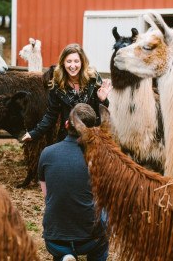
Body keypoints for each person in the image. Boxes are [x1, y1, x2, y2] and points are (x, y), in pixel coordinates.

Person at [38, 103, 109, 261]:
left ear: (66, 124)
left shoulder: (47, 153)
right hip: (90, 240)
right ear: (91, 129)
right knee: (106, 213)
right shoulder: (98, 157)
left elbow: (47, 196)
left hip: (54, 239)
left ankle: (64, 255)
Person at [22, 43, 111, 143]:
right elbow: (51, 115)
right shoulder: (57, 84)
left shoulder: (93, 79)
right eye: (69, 61)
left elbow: (102, 112)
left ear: (82, 62)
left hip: (92, 135)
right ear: (63, 62)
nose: (73, 66)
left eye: (76, 61)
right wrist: (34, 133)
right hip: (69, 136)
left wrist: (102, 100)